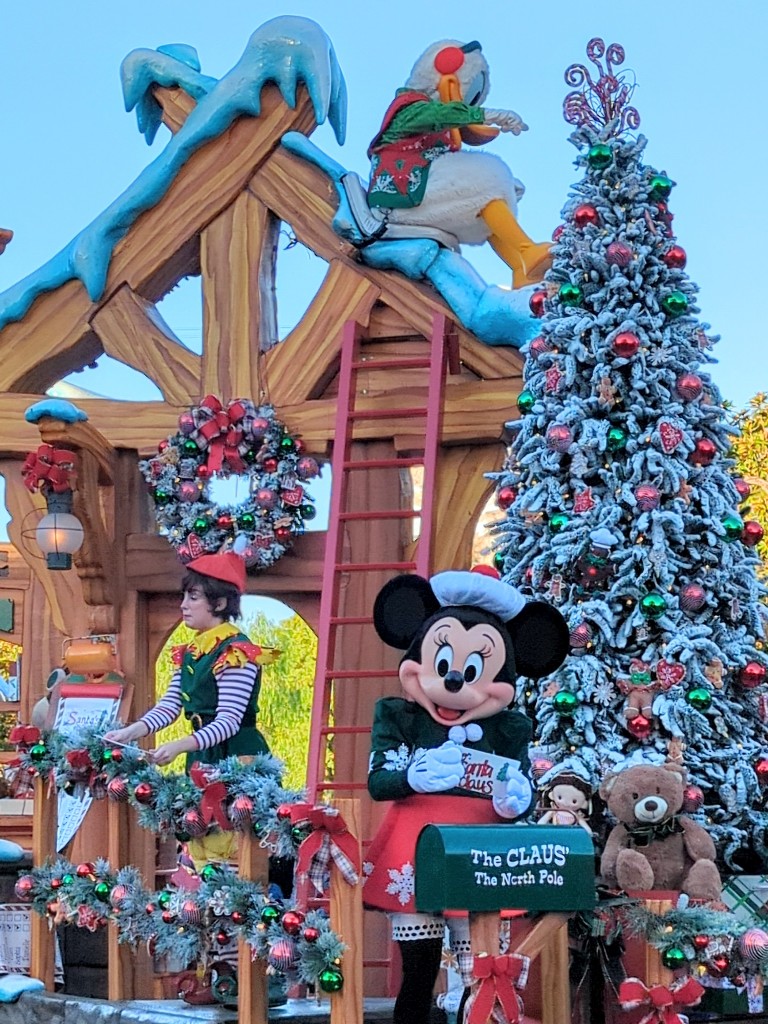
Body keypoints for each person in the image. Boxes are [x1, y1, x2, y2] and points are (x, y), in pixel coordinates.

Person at [366, 567, 570, 1024]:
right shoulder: (399, 716)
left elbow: (520, 788)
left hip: (484, 855)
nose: (456, 681)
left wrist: (518, 798)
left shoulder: (509, 726)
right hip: (414, 852)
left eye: (475, 669)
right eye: (444, 664)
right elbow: (379, 781)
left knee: (482, 970)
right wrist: (412, 777)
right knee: (417, 971)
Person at [104, 552, 277, 767]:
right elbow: (169, 706)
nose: (183, 605)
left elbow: (228, 722)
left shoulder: (235, 652)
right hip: (202, 755)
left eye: (193, 597)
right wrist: (128, 733)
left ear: (220, 603)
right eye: (184, 596)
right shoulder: (192, 652)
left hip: (238, 759)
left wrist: (178, 746)